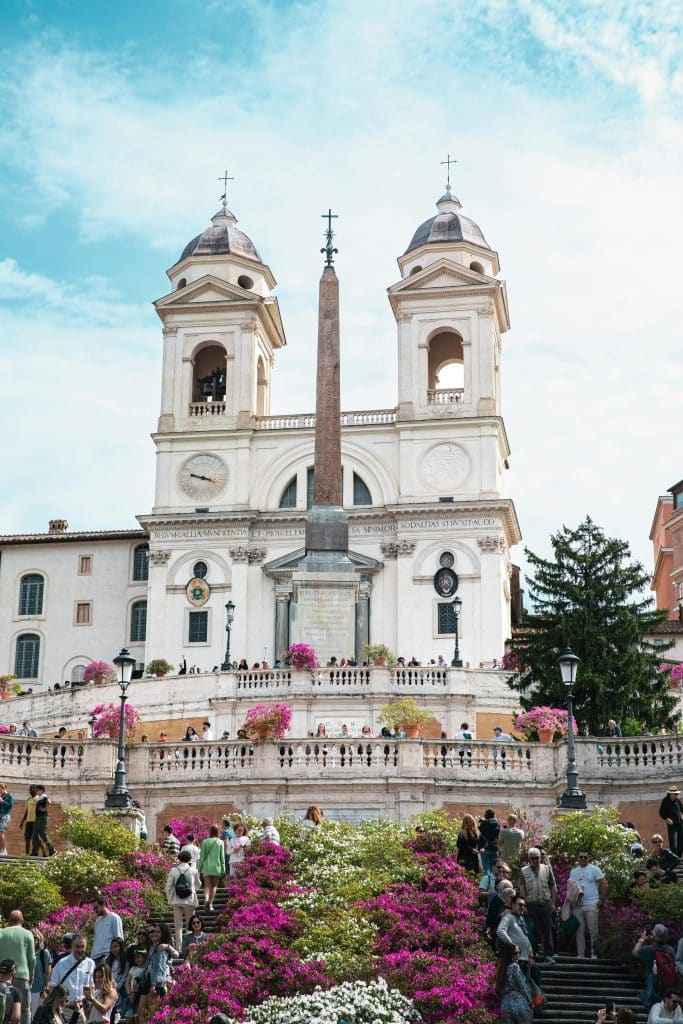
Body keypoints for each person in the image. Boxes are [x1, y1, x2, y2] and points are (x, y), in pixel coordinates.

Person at [519, 847, 557, 962]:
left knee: (547, 930)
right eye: (533, 858)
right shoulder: (524, 871)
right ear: (529, 859)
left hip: (545, 903)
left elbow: (552, 886)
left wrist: (553, 903)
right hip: (531, 904)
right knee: (532, 930)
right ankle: (533, 954)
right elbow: (522, 888)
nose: (535, 860)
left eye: (537, 858)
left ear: (540, 857)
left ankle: (548, 955)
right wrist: (524, 904)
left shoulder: (547, 869)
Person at [569, 851, 607, 959]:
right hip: (578, 905)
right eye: (581, 857)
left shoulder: (594, 869)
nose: (583, 858)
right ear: (578, 858)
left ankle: (594, 954)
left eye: (585, 857)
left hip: (591, 903)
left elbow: (604, 884)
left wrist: (601, 899)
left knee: (593, 930)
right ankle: (580, 954)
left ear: (588, 858)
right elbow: (571, 888)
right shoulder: (574, 871)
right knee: (579, 930)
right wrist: (571, 904)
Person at [0, 911, 36, 1024]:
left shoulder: (1, 932)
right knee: (25, 1008)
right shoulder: (28, 934)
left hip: (2, 976)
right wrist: (31, 974)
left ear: (8, 920)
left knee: (2, 1005)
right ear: (22, 920)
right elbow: (32, 958)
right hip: (22, 975)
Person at [634, 925, 678, 1009]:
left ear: (654, 935)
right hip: (668, 989)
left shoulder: (647, 949)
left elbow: (635, 952)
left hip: (653, 988)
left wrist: (641, 940)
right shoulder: (671, 950)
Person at [165, 849, 201, 950]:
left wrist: (170, 897)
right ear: (189, 859)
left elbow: (168, 887)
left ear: (179, 859)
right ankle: (190, 947)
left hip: (176, 900)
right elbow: (198, 885)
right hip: (189, 900)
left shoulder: (173, 870)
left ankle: (179, 948)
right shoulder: (193, 870)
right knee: (190, 924)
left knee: (178, 926)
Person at [137, 923, 176, 1014]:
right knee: (141, 1011)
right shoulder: (154, 946)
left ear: (163, 933)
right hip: (148, 978)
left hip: (157, 981)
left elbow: (160, 968)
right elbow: (147, 965)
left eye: (158, 932)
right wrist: (138, 979)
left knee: (153, 1012)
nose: (155, 934)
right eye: (154, 931)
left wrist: (154, 984)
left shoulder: (162, 948)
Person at [49, 933, 95, 1008]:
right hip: (65, 1008)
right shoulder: (61, 963)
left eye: (82, 946)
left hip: (83, 1009)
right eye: (77, 946)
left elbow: (92, 987)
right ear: (72, 946)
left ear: (86, 946)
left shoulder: (90, 964)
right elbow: (52, 986)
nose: (79, 950)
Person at [495, 944, 532, 1024]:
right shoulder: (514, 966)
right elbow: (523, 986)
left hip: (505, 1005)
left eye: (519, 953)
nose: (518, 955)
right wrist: (530, 1002)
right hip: (518, 1002)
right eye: (515, 953)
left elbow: (497, 990)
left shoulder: (500, 969)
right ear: (509, 954)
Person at [198, 824, 226, 910]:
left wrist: (199, 868)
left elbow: (202, 857)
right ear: (218, 832)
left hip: (207, 867)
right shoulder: (220, 842)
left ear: (210, 831)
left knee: (207, 886)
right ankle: (210, 904)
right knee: (214, 886)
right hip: (217, 867)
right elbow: (222, 857)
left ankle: (206, 900)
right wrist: (223, 869)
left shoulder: (204, 842)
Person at [91, 898, 123, 965]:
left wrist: (115, 957)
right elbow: (95, 941)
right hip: (95, 957)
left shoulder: (114, 917)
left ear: (103, 905)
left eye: (96, 907)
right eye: (94, 909)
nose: (95, 910)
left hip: (107, 956)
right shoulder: (97, 922)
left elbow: (119, 939)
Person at [30, 930, 52, 1019]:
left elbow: (48, 972)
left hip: (38, 990)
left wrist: (46, 988)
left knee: (35, 1016)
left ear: (38, 939)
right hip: (26, 989)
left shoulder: (44, 953)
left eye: (34, 938)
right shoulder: (25, 952)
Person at [658, 787, 683, 857]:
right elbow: (661, 812)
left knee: (681, 839)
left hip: (679, 822)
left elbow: (682, 809)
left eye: (676, 794)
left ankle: (679, 856)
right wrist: (666, 819)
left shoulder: (677, 801)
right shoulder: (665, 801)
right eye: (674, 794)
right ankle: (674, 856)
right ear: (670, 794)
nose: (676, 795)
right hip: (671, 823)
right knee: (672, 840)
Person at [123, 949, 146, 1021]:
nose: (136, 960)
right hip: (131, 995)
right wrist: (130, 993)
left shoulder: (146, 969)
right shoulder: (133, 968)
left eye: (138, 957)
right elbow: (127, 982)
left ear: (144, 957)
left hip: (140, 995)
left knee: (137, 1016)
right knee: (129, 1018)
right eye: (135, 958)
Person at [32, 786, 55, 857]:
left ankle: (52, 850)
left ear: (41, 790)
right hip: (37, 818)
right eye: (35, 790)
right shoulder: (39, 797)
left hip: (42, 818)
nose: (36, 791)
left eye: (37, 790)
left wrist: (44, 809)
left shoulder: (44, 796)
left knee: (43, 834)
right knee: (35, 835)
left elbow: (49, 802)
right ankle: (35, 852)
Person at [19, 787, 40, 857]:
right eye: (30, 790)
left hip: (36, 821)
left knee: (36, 839)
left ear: (36, 790)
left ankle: (42, 853)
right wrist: (22, 822)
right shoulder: (29, 799)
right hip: (29, 822)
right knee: (27, 838)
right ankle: (27, 854)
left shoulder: (39, 799)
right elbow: (27, 811)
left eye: (32, 790)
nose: (31, 791)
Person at [0, 782, 14, 855]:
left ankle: (4, 850)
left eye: (0, 789)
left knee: (1, 832)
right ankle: (1, 850)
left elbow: (10, 806)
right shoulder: (1, 796)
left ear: (4, 788)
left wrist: (2, 801)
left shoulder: (9, 796)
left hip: (5, 816)